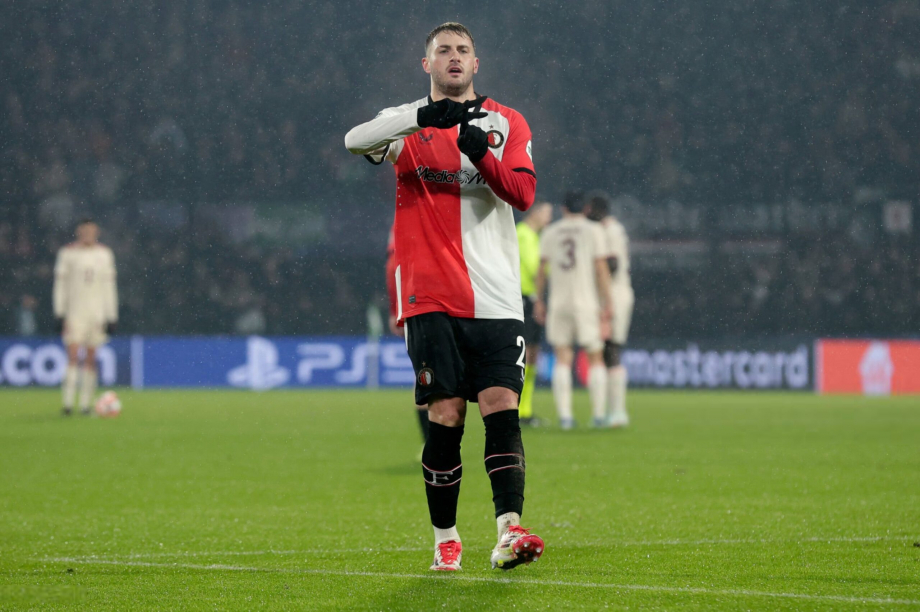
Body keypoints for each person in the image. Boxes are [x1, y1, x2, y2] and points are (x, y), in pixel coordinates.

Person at [345, 22, 544, 572]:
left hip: (497, 297)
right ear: (426, 63)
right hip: (431, 296)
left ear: (476, 63)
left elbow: (523, 194)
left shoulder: (507, 122)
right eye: (443, 51)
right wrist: (421, 118)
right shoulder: (405, 122)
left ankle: (509, 531)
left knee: (501, 405)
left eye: (463, 50)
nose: (453, 57)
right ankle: (446, 537)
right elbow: (354, 140)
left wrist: (484, 156)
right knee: (447, 413)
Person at [534, 191, 612, 429]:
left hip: (559, 302)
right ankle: (598, 415)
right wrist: (607, 302)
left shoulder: (551, 231)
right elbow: (601, 268)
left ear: (563, 208)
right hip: (586, 302)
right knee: (595, 357)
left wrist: (539, 300)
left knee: (562, 357)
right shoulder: (594, 230)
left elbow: (541, 269)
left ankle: (565, 417)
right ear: (585, 209)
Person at [53, 219, 118, 416]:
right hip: (75, 312)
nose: (88, 234)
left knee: (91, 358)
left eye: (91, 231)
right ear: (78, 232)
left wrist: (111, 315)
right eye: (85, 231)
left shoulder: (105, 254)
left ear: (96, 232)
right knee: (73, 356)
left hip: (97, 314)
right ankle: (67, 404)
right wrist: (60, 312)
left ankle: (85, 405)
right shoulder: (68, 253)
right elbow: (60, 285)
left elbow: (109, 286)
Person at [587, 192, 634, 427]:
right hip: (613, 294)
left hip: (614, 295)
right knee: (607, 351)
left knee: (611, 349)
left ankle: (617, 412)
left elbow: (612, 263)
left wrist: (592, 270)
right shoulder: (612, 229)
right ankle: (612, 412)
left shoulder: (609, 230)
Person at [385, 223, 430, 450]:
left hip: (416, 316)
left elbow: (393, 281)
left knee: (424, 375)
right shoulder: (408, 253)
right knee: (429, 376)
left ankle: (431, 443)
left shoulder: (396, 256)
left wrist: (396, 312)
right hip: (426, 315)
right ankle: (433, 444)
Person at [516, 201, 553, 426]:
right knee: (525, 354)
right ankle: (519, 409)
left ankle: (525, 410)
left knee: (532, 355)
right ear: (535, 213)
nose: (549, 219)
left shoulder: (534, 236)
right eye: (546, 214)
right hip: (524, 299)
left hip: (531, 299)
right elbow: (534, 267)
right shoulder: (524, 234)